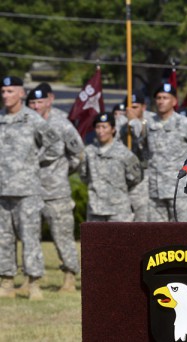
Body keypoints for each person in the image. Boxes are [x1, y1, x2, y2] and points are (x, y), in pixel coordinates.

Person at [0, 76, 61, 300]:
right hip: (2, 190)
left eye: (10, 91)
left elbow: (55, 144)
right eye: (4, 91)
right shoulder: (1, 119)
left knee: (30, 238)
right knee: (3, 239)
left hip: (27, 190)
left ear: (21, 93)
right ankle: (6, 282)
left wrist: (37, 160)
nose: (6, 95)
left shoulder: (32, 119)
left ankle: (34, 284)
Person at [26, 84, 84, 293]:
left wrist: (63, 172)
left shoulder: (61, 123)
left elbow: (77, 152)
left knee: (62, 235)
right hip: (28, 189)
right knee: (29, 236)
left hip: (55, 190)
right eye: (32, 102)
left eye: (39, 102)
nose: (35, 106)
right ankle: (30, 279)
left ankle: (69, 277)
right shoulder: (26, 122)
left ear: (49, 101)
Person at [126, 83, 187, 222]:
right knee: (159, 236)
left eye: (165, 97)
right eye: (158, 98)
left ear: (174, 101)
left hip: (180, 189)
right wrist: (133, 121)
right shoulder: (149, 123)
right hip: (156, 190)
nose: (161, 101)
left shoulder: (185, 123)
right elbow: (138, 137)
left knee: (184, 234)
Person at [80, 112, 142, 222]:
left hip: (119, 210)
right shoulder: (88, 152)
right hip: (96, 209)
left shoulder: (124, 153)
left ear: (113, 129)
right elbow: (84, 176)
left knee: (120, 239)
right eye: (98, 127)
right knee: (95, 240)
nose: (101, 131)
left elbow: (135, 178)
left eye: (104, 127)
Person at [120, 90, 152, 221]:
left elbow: (142, 138)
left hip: (145, 176)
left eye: (135, 107)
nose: (131, 111)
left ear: (143, 107)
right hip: (125, 176)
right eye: (128, 108)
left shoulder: (151, 121)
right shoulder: (121, 123)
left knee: (142, 215)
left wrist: (133, 122)